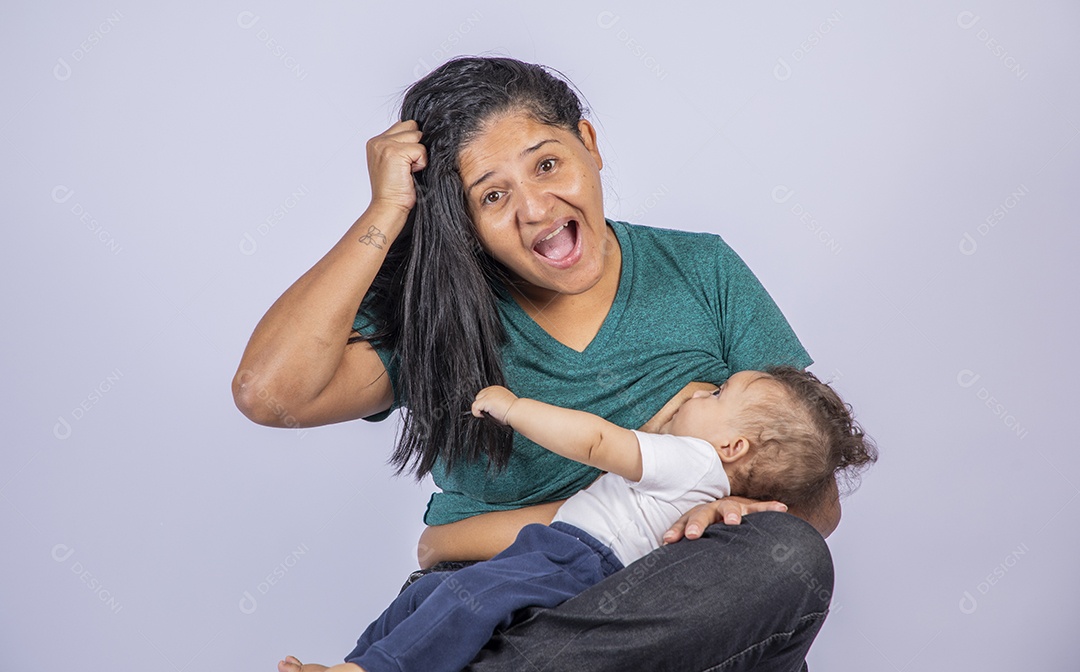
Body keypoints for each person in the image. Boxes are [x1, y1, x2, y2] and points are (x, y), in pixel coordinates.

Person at [235, 56, 846, 671]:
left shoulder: (703, 270)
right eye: (492, 195)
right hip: (494, 599)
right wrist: (386, 212)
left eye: (547, 164)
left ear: (590, 144)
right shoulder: (434, 318)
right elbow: (271, 394)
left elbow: (816, 492)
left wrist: (712, 508)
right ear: (463, 223)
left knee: (788, 554)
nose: (535, 208)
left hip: (668, 591)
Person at [284, 367, 875, 672]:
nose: (701, 392)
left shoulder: (689, 460)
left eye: (718, 394)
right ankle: (358, 663)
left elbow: (598, 442)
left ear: (734, 449)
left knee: (460, 597)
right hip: (568, 559)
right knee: (437, 595)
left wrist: (515, 408)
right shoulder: (703, 464)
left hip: (576, 559)